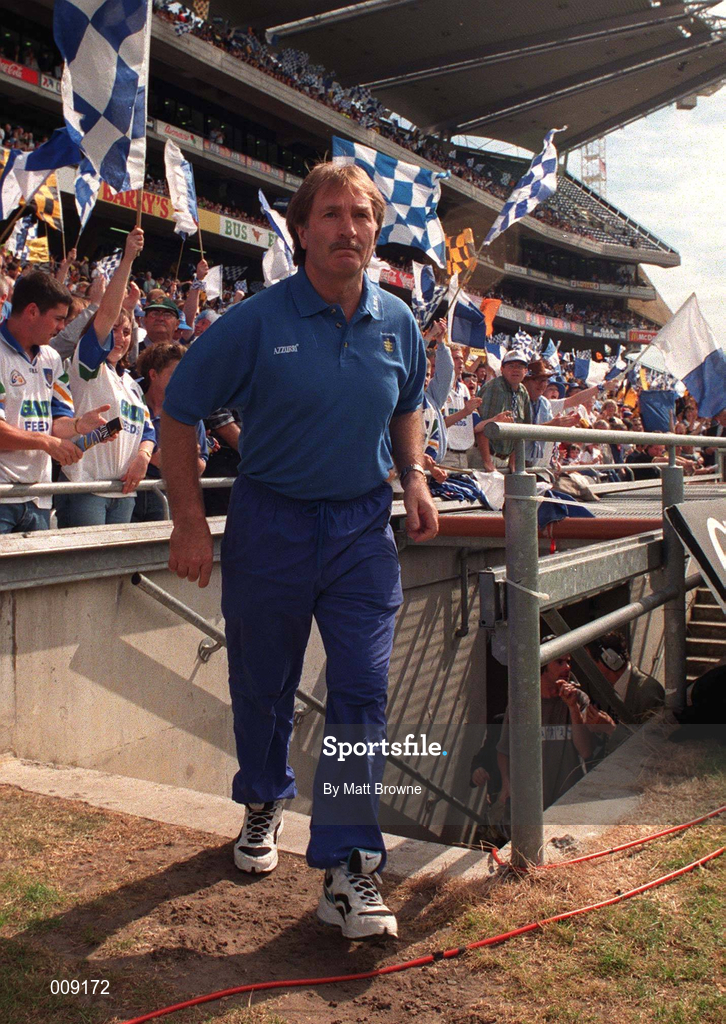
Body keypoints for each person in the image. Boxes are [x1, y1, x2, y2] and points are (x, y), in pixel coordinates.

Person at [160, 161, 438, 940]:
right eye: (333, 215)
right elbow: (176, 413)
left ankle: (349, 866)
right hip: (269, 524)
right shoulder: (254, 321)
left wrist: (413, 477)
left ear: (376, 233)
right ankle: (262, 799)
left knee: (361, 691)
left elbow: (409, 402)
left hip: (360, 532)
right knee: (262, 685)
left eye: (362, 217)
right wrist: (188, 519)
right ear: (302, 229)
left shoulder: (399, 321)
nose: (349, 229)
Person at [56, 227, 156, 528]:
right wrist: (127, 260)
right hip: (86, 489)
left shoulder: (131, 385)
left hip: (123, 493)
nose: (121, 338)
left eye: (126, 332)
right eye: (114, 329)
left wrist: (142, 457)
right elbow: (104, 316)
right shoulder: (89, 367)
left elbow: (148, 431)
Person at [0, 272, 109, 533]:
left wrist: (80, 425)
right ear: (32, 311)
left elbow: (56, 423)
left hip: (38, 495)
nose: (62, 327)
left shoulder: (51, 357)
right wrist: (47, 443)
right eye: (58, 318)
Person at [495, 643, 614, 811]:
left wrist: (573, 708)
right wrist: (506, 783)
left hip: (568, 798)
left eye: (568, 662)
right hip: (533, 800)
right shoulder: (522, 702)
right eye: (559, 662)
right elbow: (504, 750)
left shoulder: (578, 698)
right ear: (543, 666)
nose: (567, 667)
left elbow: (586, 750)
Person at [587, 631, 664, 724]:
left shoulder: (648, 693)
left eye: (590, 661)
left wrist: (611, 729)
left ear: (609, 659)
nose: (588, 668)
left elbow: (653, 737)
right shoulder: (612, 689)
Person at [476, 349, 531, 472]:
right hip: (486, 456)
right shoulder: (495, 388)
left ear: (526, 371)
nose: (515, 370)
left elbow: (522, 430)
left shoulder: (523, 392)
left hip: (505, 460)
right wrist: (487, 462)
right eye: (511, 366)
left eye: (520, 366)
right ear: (502, 369)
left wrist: (513, 461)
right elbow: (484, 427)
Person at [441, 344, 480, 468]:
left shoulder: (463, 388)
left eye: (462, 359)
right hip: (446, 456)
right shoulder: (437, 388)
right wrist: (465, 411)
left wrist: (495, 420)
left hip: (464, 455)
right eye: (456, 358)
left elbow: (474, 425)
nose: (461, 362)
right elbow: (440, 424)